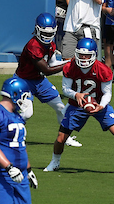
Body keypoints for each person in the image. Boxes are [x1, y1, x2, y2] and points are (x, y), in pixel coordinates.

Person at [44, 37, 114, 172]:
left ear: (94, 54)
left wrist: (101, 106)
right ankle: (55, 162)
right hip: (76, 105)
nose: (84, 58)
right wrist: (76, 95)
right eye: (81, 55)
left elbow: (107, 93)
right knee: (60, 139)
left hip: (98, 104)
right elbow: (65, 89)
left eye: (87, 55)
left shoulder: (103, 69)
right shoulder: (70, 66)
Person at [14, 13, 75, 143]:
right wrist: (69, 64)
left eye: (49, 34)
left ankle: (65, 138)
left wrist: (70, 63)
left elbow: (53, 64)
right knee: (26, 113)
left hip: (39, 81)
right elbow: (46, 70)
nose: (47, 37)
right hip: (23, 81)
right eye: (45, 33)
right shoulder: (33, 46)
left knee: (61, 108)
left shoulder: (51, 45)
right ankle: (13, 132)